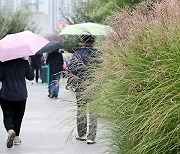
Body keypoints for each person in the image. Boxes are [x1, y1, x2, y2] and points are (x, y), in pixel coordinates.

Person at [66, 35, 99, 144]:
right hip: (95, 86)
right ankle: (91, 137)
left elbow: (71, 70)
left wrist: (70, 82)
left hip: (81, 86)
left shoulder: (77, 54)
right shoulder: (99, 54)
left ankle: (82, 134)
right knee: (93, 111)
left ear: (83, 42)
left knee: (81, 110)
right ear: (93, 42)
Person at [0, 58, 34, 148]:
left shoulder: (3, 63)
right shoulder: (24, 63)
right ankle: (16, 138)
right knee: (18, 117)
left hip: (6, 94)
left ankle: (10, 131)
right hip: (21, 95)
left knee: (7, 115)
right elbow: (30, 77)